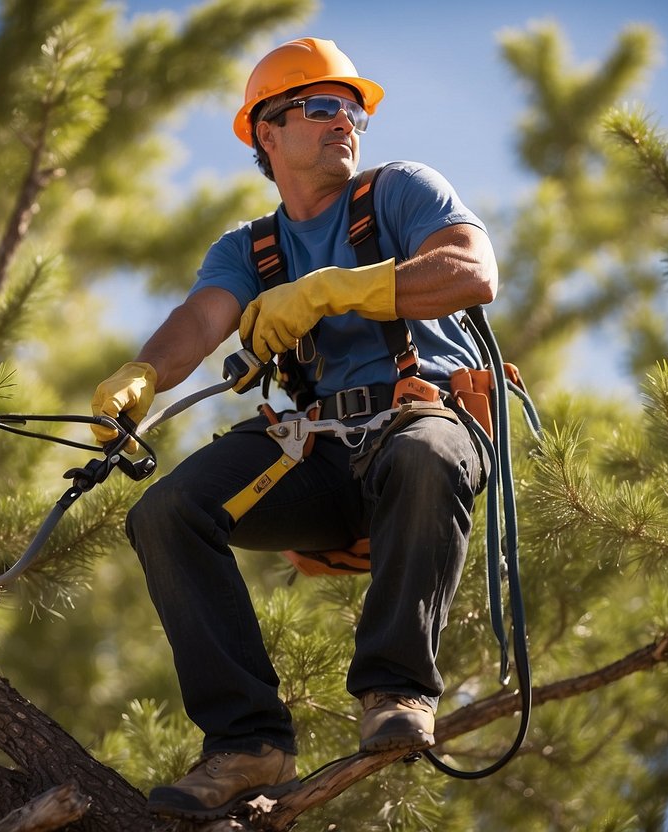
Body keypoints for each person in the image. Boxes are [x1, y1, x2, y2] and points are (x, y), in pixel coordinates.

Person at [91, 37, 497, 820]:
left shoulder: (399, 193)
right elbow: (199, 321)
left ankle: (396, 691)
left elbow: (471, 270)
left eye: (351, 109)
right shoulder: (250, 249)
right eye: (318, 106)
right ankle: (247, 741)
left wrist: (333, 290)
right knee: (166, 513)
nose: (342, 120)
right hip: (314, 450)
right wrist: (141, 375)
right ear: (265, 134)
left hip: (418, 418)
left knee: (423, 454)